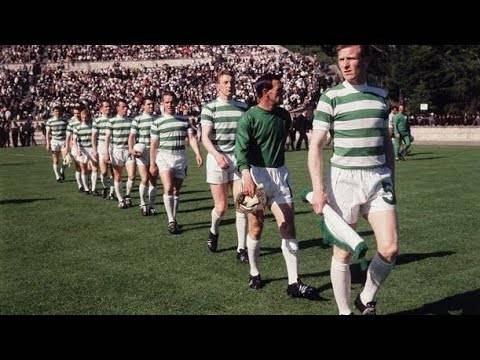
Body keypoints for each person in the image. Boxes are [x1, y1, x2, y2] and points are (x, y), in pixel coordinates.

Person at [308, 45, 399, 315]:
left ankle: (366, 297)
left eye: (352, 59)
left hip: (378, 177)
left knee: (390, 248)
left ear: (366, 61)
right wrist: (318, 188)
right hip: (343, 180)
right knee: (344, 252)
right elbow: (315, 145)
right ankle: (345, 311)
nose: (345, 64)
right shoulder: (330, 97)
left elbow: (386, 142)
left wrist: (391, 178)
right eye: (341, 60)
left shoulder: (381, 96)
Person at [235, 73, 318, 299]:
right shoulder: (248, 118)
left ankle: (293, 282)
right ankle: (254, 272)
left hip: (280, 176)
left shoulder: (283, 116)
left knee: (288, 226)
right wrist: (246, 176)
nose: (283, 92)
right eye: (278, 89)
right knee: (256, 228)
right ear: (265, 92)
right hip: (255, 175)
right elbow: (240, 149)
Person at [200, 70, 249, 262]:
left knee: (242, 206)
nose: (229, 85)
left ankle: (241, 248)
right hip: (217, 158)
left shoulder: (243, 107)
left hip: (238, 160)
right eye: (225, 82)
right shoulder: (209, 107)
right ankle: (214, 231)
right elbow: (205, 136)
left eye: (231, 82)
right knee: (221, 208)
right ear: (218, 85)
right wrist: (216, 154)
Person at [149, 91, 203, 234]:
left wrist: (197, 153)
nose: (169, 104)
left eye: (172, 101)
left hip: (180, 156)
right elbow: (154, 145)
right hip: (164, 156)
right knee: (168, 187)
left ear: (176, 102)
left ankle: (174, 217)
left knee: (176, 191)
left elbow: (191, 138)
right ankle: (171, 220)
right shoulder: (157, 122)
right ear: (162, 104)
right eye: (166, 102)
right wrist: (153, 164)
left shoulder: (184, 120)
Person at [128, 97, 157, 216]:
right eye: (148, 104)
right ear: (143, 106)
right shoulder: (137, 119)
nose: (151, 106)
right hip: (142, 152)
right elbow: (132, 136)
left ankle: (151, 205)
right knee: (144, 178)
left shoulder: (157, 120)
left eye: (152, 104)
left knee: (153, 180)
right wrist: (131, 149)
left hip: (154, 152)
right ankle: (142, 203)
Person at [105, 99, 136, 209]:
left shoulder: (131, 121)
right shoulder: (111, 121)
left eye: (126, 107)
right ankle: (120, 199)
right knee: (117, 176)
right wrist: (106, 153)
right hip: (116, 151)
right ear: (118, 108)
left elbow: (133, 136)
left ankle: (127, 195)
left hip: (128, 150)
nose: (126, 109)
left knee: (132, 175)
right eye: (123, 107)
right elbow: (107, 138)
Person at [92, 100, 115, 199]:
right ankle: (106, 186)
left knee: (114, 171)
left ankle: (112, 193)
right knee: (104, 172)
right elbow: (94, 136)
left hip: (113, 146)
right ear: (101, 109)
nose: (108, 108)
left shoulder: (113, 120)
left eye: (109, 106)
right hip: (101, 146)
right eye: (105, 107)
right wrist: (94, 149)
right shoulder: (97, 121)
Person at [73, 107, 99, 195]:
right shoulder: (77, 127)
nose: (84, 117)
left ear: (88, 116)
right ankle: (87, 188)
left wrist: (95, 148)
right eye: (83, 115)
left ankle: (94, 188)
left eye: (86, 115)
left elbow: (95, 137)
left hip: (91, 148)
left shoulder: (92, 126)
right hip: (82, 149)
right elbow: (74, 140)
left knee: (95, 168)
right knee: (83, 169)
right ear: (80, 116)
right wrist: (77, 150)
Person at [45, 106, 68, 182]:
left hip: (63, 141)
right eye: (55, 111)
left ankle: (62, 170)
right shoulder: (50, 121)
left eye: (58, 111)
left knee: (67, 160)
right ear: (53, 112)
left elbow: (68, 131)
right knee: (56, 160)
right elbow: (47, 133)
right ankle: (57, 176)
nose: (57, 113)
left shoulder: (65, 120)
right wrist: (48, 143)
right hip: (54, 141)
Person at [65, 106, 84, 191]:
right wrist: (67, 149)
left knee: (86, 168)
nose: (76, 115)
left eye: (78, 113)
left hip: (87, 146)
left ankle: (86, 184)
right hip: (76, 147)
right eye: (75, 113)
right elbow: (68, 137)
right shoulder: (71, 123)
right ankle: (80, 185)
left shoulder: (86, 121)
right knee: (78, 167)